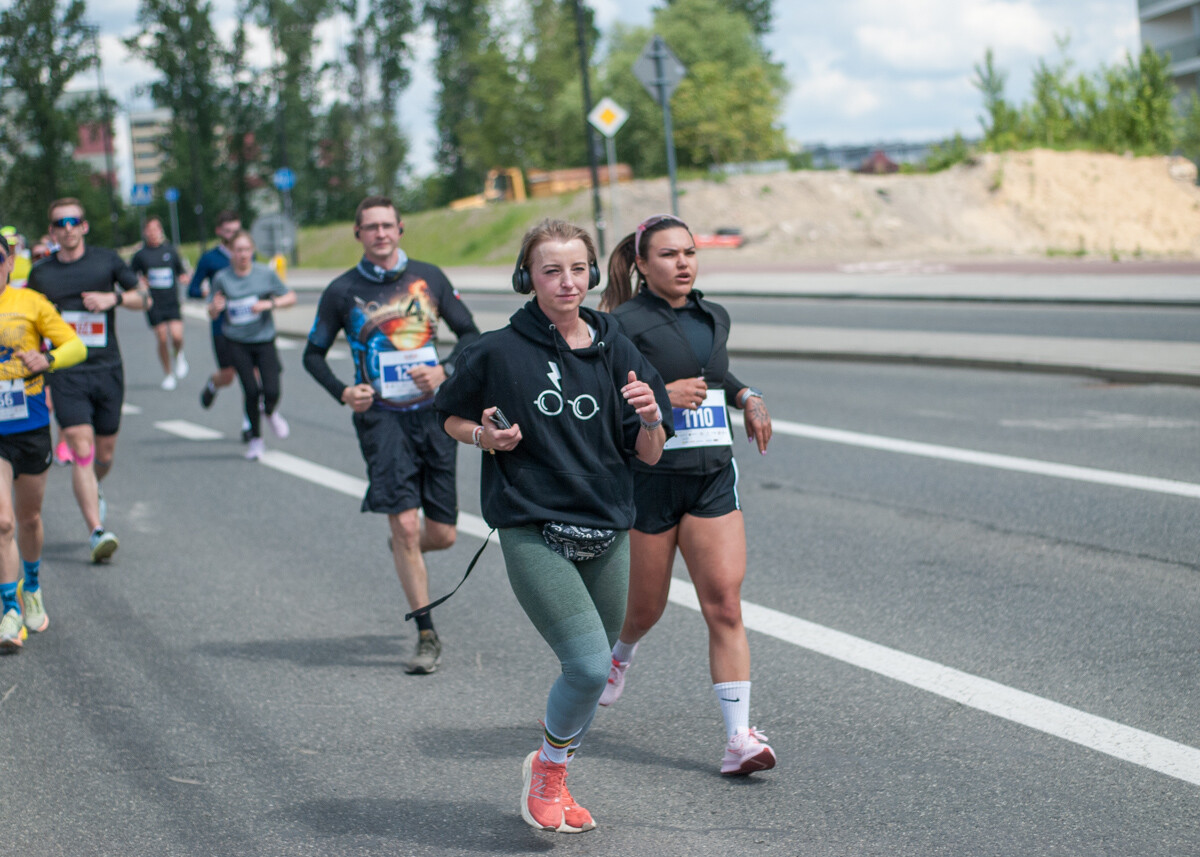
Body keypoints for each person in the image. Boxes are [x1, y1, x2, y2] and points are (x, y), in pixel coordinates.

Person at [435, 218, 670, 833]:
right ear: (527, 278)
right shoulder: (494, 350)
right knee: (591, 666)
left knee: (592, 673)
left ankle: (555, 770)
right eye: (550, 270)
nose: (567, 282)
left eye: (577, 269)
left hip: (608, 528)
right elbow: (449, 417)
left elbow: (648, 453)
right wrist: (484, 435)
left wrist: (650, 419)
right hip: (532, 524)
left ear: (592, 274)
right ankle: (547, 772)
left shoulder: (616, 345)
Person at [597, 213, 777, 776]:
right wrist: (661, 395)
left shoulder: (712, 315)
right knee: (644, 610)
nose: (682, 263)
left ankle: (738, 739)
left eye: (690, 253)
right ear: (643, 265)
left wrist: (747, 395)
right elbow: (601, 397)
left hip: (711, 479)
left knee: (723, 603)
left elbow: (712, 373)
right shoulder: (620, 324)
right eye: (669, 255)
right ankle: (616, 659)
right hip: (650, 482)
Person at [304, 195, 481, 675]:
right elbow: (312, 354)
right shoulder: (342, 291)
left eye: (387, 225)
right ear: (357, 234)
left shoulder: (430, 278)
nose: (380, 234)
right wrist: (345, 392)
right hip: (381, 420)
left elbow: (471, 336)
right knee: (404, 525)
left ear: (400, 229)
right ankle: (427, 634)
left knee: (441, 534)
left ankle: (408, 549)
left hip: (435, 416)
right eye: (370, 227)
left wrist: (443, 371)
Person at [27, 198, 147, 563]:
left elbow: (144, 298)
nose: (66, 227)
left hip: (107, 368)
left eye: (73, 221)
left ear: (84, 226)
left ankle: (95, 488)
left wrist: (113, 298)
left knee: (104, 453)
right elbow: (28, 324)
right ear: (51, 231)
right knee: (81, 448)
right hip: (66, 372)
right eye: (59, 222)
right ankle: (97, 530)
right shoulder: (42, 274)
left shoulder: (106, 261)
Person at [0, 234, 86, 651]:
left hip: (29, 426)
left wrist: (47, 358)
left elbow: (76, 345)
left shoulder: (31, 302)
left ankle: (31, 585)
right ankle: (8, 611)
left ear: (9, 261)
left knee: (29, 518)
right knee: (3, 522)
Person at [208, 231, 296, 461]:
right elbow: (211, 309)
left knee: (272, 389)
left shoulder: (265, 274)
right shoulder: (222, 278)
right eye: (238, 250)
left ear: (252, 251)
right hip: (237, 341)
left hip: (264, 339)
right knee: (250, 390)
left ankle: (270, 412)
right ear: (231, 253)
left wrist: (269, 303)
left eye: (247, 249)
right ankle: (256, 440)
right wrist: (216, 307)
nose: (243, 254)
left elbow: (290, 297)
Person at [189, 210, 250, 439]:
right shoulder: (210, 258)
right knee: (228, 376)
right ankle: (213, 384)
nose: (233, 235)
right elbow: (192, 288)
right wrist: (208, 293)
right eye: (228, 231)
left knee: (252, 377)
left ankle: (249, 423)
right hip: (221, 326)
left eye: (236, 230)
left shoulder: (247, 254)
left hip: (248, 325)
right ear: (219, 232)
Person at [130, 216, 189, 390]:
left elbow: (181, 272)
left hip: (171, 300)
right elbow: (130, 276)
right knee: (162, 337)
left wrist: (185, 278)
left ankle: (178, 355)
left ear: (161, 230)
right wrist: (140, 281)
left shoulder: (170, 251)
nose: (153, 233)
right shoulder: (140, 255)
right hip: (153, 302)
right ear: (145, 232)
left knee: (177, 336)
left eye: (156, 229)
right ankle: (168, 373)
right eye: (149, 229)